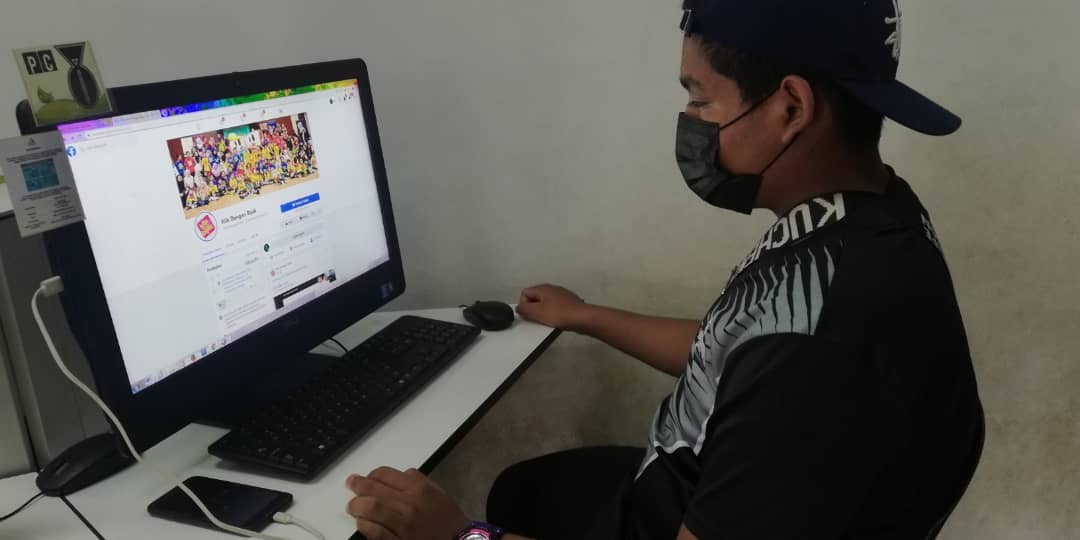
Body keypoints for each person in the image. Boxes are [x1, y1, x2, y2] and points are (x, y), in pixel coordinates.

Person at [343, 2, 984, 539]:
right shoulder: (865, 213)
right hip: (681, 483)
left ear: (791, 108)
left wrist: (462, 538)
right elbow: (733, 349)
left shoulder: (821, 353)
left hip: (687, 510)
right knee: (523, 490)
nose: (691, 122)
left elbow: (786, 368)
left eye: (701, 99)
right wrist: (585, 316)